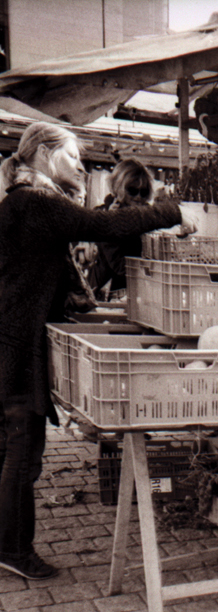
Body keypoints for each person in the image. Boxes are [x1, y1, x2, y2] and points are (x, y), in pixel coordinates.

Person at [0, 121, 187, 580]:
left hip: (8, 339)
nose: (82, 164)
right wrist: (169, 210)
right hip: (16, 346)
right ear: (43, 155)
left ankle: (7, 543)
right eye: (72, 154)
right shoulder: (36, 202)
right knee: (22, 452)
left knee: (8, 448)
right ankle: (13, 550)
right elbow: (105, 223)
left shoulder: (19, 202)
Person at [86, 157, 155, 299]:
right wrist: (111, 224)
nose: (138, 197)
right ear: (118, 188)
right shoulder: (102, 215)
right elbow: (120, 266)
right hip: (106, 296)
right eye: (132, 190)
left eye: (143, 192)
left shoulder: (145, 217)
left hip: (135, 293)